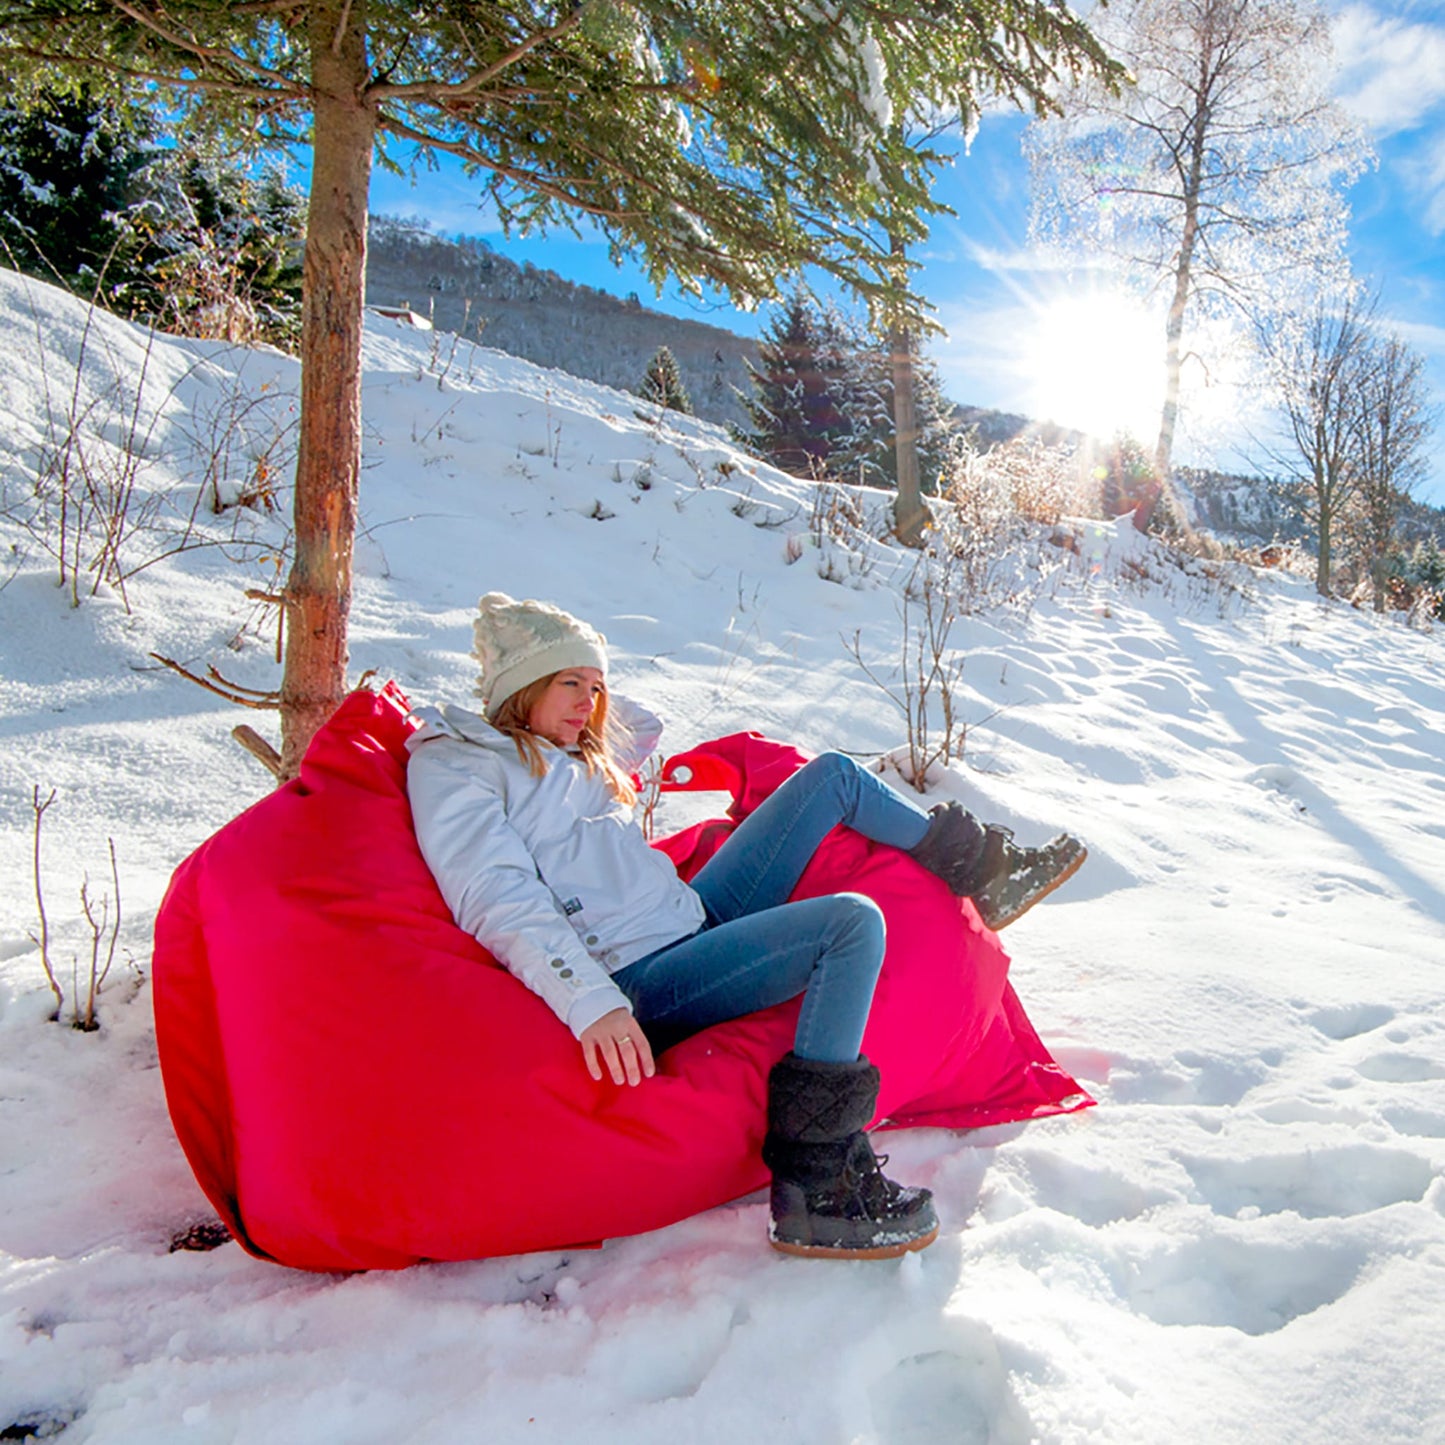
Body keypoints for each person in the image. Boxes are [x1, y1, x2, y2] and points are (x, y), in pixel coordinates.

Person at [406, 593, 1085, 1260]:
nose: (590, 702)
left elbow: (636, 726)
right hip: (637, 976)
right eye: (569, 683)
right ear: (522, 685)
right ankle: (815, 1183)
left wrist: (568, 685)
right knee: (849, 924)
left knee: (833, 777)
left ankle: (986, 871)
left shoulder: (572, 751)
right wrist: (591, 1002)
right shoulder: (460, 763)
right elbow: (496, 895)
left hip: (688, 917)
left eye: (596, 686)